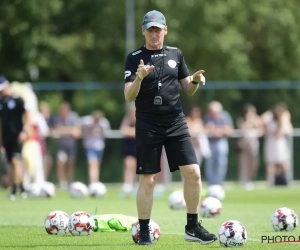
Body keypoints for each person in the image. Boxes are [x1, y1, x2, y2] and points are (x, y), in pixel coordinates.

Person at [123, 10, 217, 245]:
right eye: (150, 30)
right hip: (148, 124)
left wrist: (194, 80)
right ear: (144, 31)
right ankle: (144, 231)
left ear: (165, 30)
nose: (154, 34)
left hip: (176, 122)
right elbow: (128, 96)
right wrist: (139, 78)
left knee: (193, 172)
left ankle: (192, 227)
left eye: (158, 29)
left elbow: (188, 88)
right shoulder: (134, 57)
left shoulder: (176, 54)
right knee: (149, 179)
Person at [0, 76, 31, 200]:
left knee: (15, 161)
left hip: (17, 136)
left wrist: (25, 131)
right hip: (6, 137)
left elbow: (28, 117)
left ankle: (14, 190)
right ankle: (21, 188)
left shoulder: (18, 100)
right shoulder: (1, 102)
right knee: (11, 163)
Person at [261, 103, 292, 186]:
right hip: (272, 143)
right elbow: (263, 120)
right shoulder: (269, 119)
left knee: (284, 162)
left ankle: (285, 179)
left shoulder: (284, 120)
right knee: (271, 163)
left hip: (280, 143)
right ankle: (270, 182)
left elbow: (287, 129)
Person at [203, 101, 233, 186]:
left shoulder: (225, 116)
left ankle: (219, 182)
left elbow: (229, 130)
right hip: (210, 142)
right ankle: (211, 182)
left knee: (221, 162)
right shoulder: (207, 117)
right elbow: (205, 128)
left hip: (221, 141)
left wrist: (217, 130)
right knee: (209, 163)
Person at [52, 102, 81, 190]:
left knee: (70, 164)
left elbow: (77, 132)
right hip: (61, 145)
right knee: (60, 163)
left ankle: (70, 182)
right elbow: (56, 129)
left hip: (71, 145)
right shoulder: (58, 118)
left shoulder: (74, 117)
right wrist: (70, 130)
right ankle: (62, 183)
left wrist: (63, 130)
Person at [236, 104, 263, 190]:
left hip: (254, 145)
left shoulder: (257, 120)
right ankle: (244, 180)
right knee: (244, 163)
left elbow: (261, 131)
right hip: (244, 145)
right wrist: (249, 121)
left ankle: (250, 178)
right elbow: (243, 128)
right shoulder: (241, 120)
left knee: (254, 163)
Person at [81, 110, 111, 184]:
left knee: (97, 165)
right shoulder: (87, 121)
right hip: (90, 146)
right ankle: (92, 182)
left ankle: (95, 181)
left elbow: (107, 132)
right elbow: (79, 124)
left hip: (100, 147)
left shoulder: (103, 123)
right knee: (92, 164)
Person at [119, 105, 137, 197]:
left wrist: (130, 132)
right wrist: (133, 132)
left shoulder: (140, 119)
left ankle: (134, 183)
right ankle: (127, 183)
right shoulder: (126, 120)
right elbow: (123, 129)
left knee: (137, 166)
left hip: (138, 145)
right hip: (129, 146)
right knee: (128, 164)